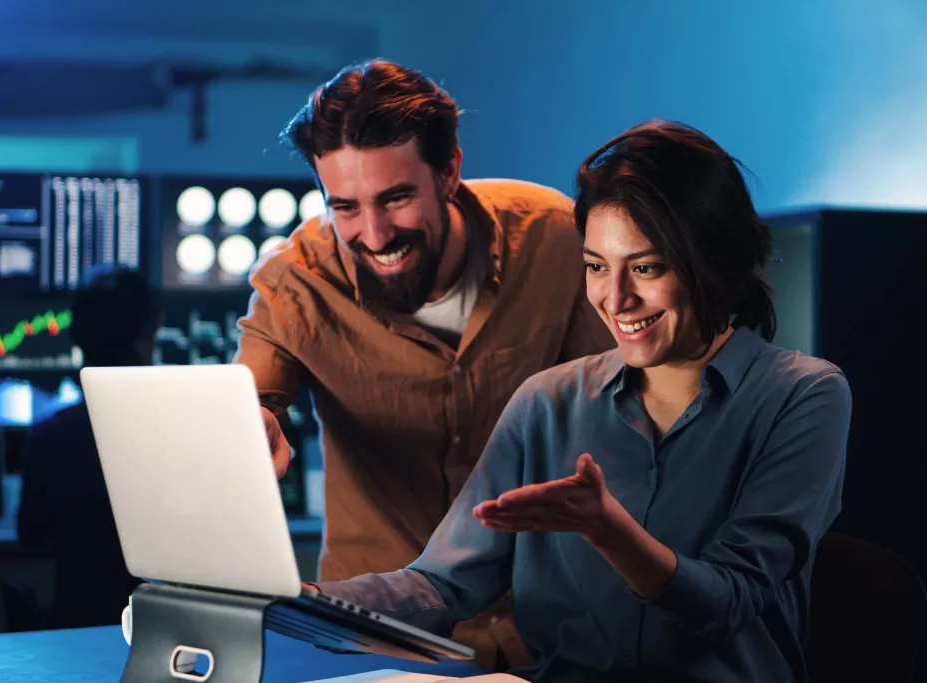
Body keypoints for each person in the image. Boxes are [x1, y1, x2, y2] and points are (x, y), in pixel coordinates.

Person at [311, 121, 852, 682]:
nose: (614, 299)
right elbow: (444, 584)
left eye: (645, 268)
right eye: (596, 267)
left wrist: (607, 529)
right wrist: (296, 598)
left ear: (715, 260)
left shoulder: (803, 395)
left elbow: (726, 602)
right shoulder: (547, 403)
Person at [234, 58, 614, 668]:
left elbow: (627, 401)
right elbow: (249, 398)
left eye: (396, 198)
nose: (375, 234)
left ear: (450, 171)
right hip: (375, 635)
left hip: (551, 625)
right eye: (346, 207)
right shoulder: (298, 281)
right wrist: (252, 423)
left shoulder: (555, 239)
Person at [18, 265, 162, 628]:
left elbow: (31, 534)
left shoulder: (49, 435)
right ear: (148, 334)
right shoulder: (181, 433)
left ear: (78, 338)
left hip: (75, 627)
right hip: (163, 632)